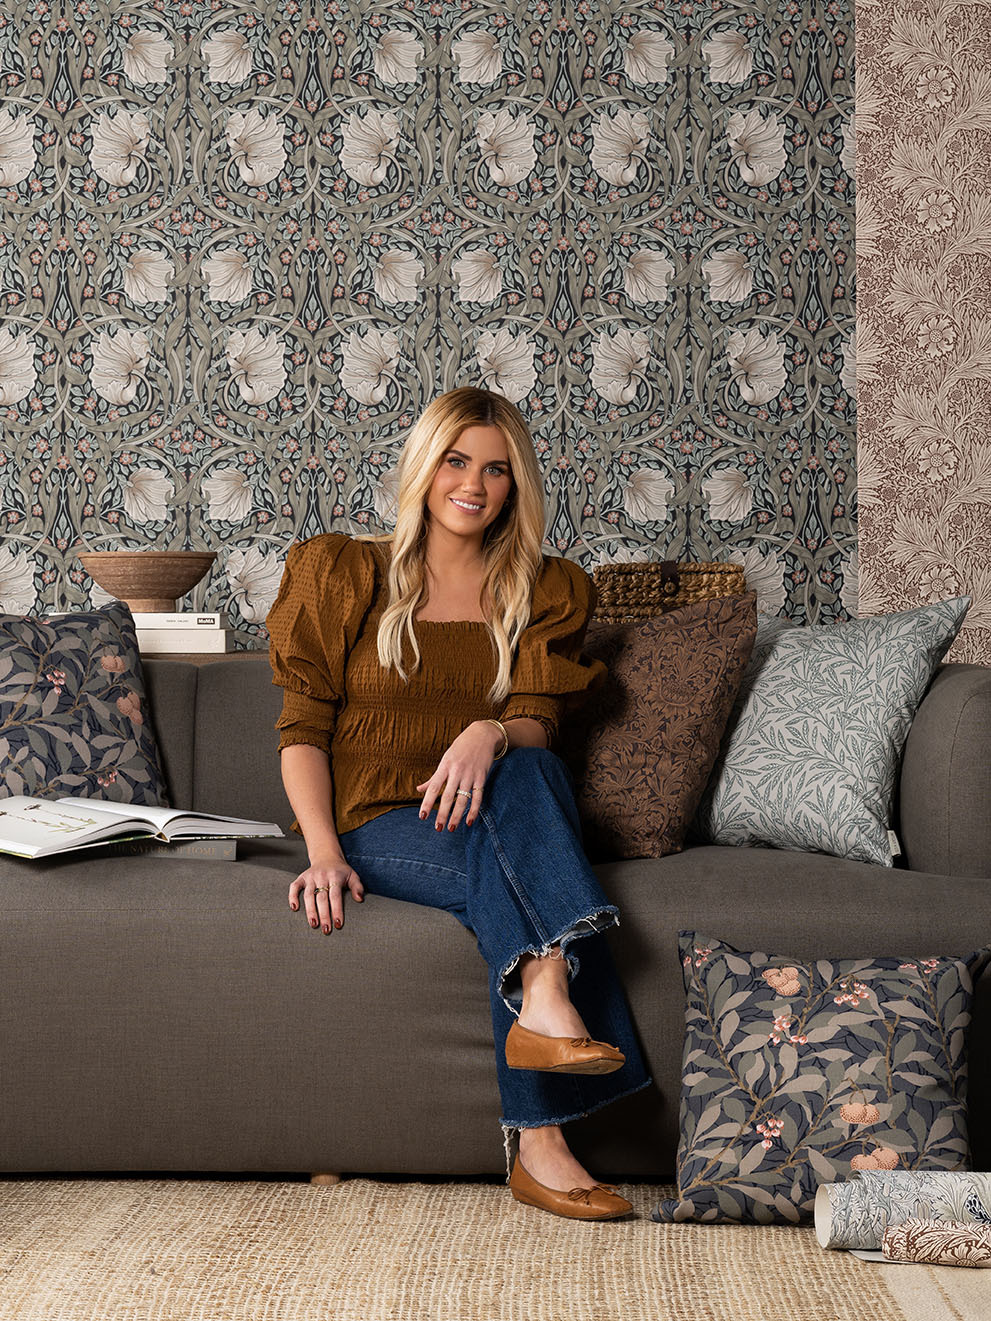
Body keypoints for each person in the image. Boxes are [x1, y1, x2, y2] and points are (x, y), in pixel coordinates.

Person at [266, 386, 651, 1220]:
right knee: (521, 874)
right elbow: (302, 725)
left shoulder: (545, 587)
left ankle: (542, 1018)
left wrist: (490, 730)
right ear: (423, 465)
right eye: (455, 460)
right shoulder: (344, 570)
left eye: (496, 469)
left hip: (494, 816)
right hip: (379, 822)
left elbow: (540, 721)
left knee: (530, 769)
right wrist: (323, 850)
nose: (473, 483)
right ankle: (544, 1123)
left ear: (516, 486)